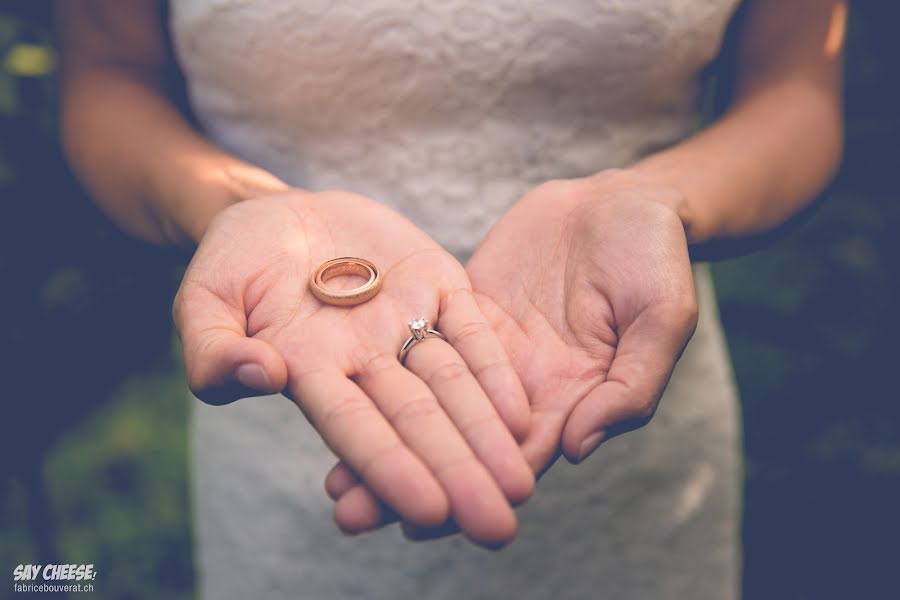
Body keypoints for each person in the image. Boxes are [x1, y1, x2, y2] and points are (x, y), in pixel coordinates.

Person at [57, 0, 845, 598]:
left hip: (606, 389)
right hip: (295, 395)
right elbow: (108, 76)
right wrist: (229, 205)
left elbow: (798, 88)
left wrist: (656, 201)